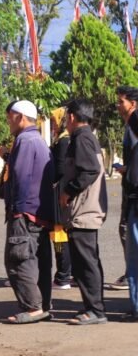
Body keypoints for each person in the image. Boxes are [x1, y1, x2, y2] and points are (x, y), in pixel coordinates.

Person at [1, 100, 55, 324]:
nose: (8, 122)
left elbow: (21, 176)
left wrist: (17, 210)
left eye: (10, 117)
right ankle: (43, 305)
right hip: (40, 212)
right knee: (39, 261)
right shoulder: (39, 140)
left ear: (20, 117)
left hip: (25, 211)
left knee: (18, 260)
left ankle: (32, 307)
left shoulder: (24, 140)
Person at [58, 99, 108, 325]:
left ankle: (95, 310)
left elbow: (90, 170)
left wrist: (68, 191)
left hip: (84, 212)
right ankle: (93, 307)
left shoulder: (82, 138)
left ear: (71, 116)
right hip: (85, 211)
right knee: (86, 262)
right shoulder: (85, 137)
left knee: (86, 263)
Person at [116, 85, 138, 321]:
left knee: (135, 256)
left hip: (135, 199)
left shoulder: (133, 126)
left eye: (121, 101)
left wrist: (128, 171)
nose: (118, 106)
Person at [49, 107, 73, 290]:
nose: (52, 124)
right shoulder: (61, 139)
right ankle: (66, 274)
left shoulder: (63, 141)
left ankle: (63, 276)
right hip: (60, 193)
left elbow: (59, 169)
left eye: (54, 120)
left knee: (59, 236)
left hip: (59, 194)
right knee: (61, 236)